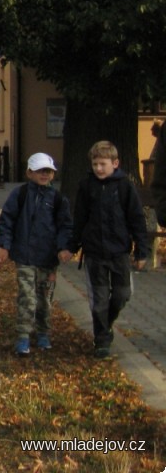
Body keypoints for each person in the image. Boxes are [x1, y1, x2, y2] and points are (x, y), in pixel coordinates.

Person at [64, 141, 148, 359]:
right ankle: (101, 340)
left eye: (103, 164)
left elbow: (136, 219)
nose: (98, 169)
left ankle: (106, 323)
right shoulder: (87, 186)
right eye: (95, 164)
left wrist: (141, 251)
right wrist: (71, 247)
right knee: (99, 299)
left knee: (122, 294)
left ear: (115, 163)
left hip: (119, 252)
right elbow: (80, 219)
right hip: (94, 254)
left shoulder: (125, 187)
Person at [0, 152, 73, 357]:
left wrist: (64, 247)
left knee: (44, 298)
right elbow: (7, 221)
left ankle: (43, 332)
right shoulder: (19, 195)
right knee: (27, 298)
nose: (44, 174)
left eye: (48, 171)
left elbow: (65, 226)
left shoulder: (57, 199)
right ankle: (23, 336)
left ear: (53, 174)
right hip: (25, 257)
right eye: (39, 171)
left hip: (48, 259)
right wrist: (5, 245)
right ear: (29, 173)